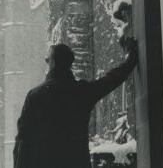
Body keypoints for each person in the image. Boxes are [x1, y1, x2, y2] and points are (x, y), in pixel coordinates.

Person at [13, 37, 138, 168]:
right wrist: (131, 58)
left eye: (47, 60)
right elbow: (112, 79)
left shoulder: (35, 96)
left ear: (53, 63)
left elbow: (23, 142)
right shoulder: (82, 92)